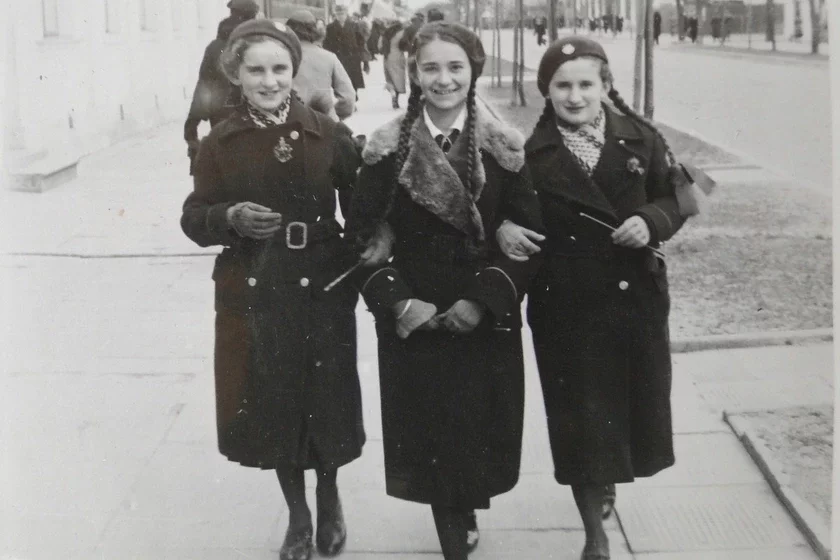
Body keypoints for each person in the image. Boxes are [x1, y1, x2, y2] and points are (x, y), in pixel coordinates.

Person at [495, 36, 701, 560]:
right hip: (566, 305)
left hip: (635, 301)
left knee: (630, 412)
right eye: (562, 85)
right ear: (547, 91)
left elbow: (680, 198)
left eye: (586, 84)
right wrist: (502, 227)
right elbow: (500, 209)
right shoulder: (526, 153)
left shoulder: (644, 138)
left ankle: (607, 482)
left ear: (606, 86)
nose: (574, 95)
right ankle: (594, 533)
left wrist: (650, 221)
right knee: (580, 422)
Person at [344, 21, 543, 560]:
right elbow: (360, 241)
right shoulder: (386, 151)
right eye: (430, 67)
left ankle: (465, 510)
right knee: (435, 440)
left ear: (473, 71)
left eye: (455, 67)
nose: (443, 79)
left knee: (477, 433)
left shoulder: (504, 148)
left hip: (482, 313)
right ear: (414, 73)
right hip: (421, 314)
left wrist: (484, 298)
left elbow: (527, 241)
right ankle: (453, 537)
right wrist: (400, 301)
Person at [180, 19, 363, 560]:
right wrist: (228, 215)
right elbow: (194, 216)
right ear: (235, 74)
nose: (269, 81)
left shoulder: (328, 133)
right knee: (274, 396)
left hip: (322, 286)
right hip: (257, 285)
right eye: (255, 70)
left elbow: (362, 211)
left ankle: (329, 497)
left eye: (279, 68)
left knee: (326, 398)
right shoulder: (220, 142)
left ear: (294, 69)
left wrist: (360, 258)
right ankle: (299, 516)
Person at [183, 0, 259, 173]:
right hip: (253, 113)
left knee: (226, 162)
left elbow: (204, 85)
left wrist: (192, 122)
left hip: (221, 115)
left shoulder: (214, 47)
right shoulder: (258, 44)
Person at [287, 9, 356, 121]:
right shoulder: (329, 57)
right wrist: (332, 115)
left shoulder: (281, 57)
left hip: (290, 123)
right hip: (323, 125)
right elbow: (348, 98)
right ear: (314, 31)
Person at [323, 4, 367, 97]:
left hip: (352, 57)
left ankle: (353, 96)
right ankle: (342, 98)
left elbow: (361, 41)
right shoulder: (330, 27)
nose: (340, 16)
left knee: (353, 78)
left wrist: (361, 55)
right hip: (338, 57)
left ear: (346, 14)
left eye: (342, 13)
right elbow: (326, 43)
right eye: (338, 14)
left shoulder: (354, 26)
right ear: (335, 15)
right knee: (339, 79)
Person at [381, 20, 407, 108]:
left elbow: (379, 46)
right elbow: (405, 45)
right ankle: (396, 98)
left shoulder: (386, 33)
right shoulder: (402, 33)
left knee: (390, 79)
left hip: (387, 57)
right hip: (398, 56)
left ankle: (392, 95)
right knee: (398, 79)